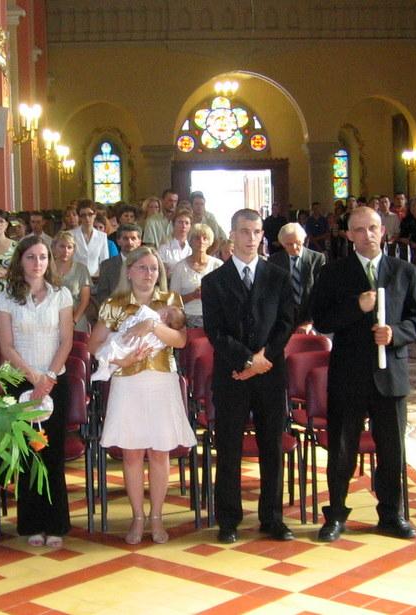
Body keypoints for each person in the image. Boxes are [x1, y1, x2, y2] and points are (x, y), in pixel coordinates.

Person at [311, 206, 416, 542]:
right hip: (349, 374)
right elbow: (321, 320)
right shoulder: (334, 272)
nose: (368, 235)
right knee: (342, 450)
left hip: (391, 375)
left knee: (392, 451)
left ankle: (391, 514)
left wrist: (396, 334)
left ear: (383, 231)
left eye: (373, 228)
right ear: (349, 235)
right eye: (359, 230)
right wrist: (356, 307)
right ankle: (336, 514)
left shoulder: (404, 271)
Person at [89, 246, 195, 544]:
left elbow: (181, 340)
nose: (149, 274)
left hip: (161, 381)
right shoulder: (115, 304)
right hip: (127, 383)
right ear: (129, 271)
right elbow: (93, 345)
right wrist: (119, 360)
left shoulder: (170, 300)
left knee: (160, 452)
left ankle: (157, 517)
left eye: (154, 268)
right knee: (132, 453)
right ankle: (137, 517)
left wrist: (153, 325)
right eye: (142, 268)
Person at [202, 208, 295, 543]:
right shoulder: (213, 281)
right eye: (244, 231)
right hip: (232, 375)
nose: (251, 238)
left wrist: (262, 359)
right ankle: (228, 519)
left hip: (270, 374)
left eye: (256, 232)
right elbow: (215, 331)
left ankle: (272, 517)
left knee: (272, 446)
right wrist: (245, 361)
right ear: (232, 235)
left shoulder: (278, 276)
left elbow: (286, 323)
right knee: (229, 448)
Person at [0, 236, 73, 547]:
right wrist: (33, 377)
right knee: (27, 453)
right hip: (21, 382)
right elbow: (6, 346)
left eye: (42, 257)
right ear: (20, 260)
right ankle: (31, 523)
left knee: (52, 454)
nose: (37, 262)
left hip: (55, 381)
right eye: (31, 257)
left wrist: (49, 377)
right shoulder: (6, 298)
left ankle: (55, 524)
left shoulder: (61, 294)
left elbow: (66, 340)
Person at [91, 304, 186, 381]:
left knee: (112, 349)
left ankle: (105, 368)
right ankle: (106, 369)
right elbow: (92, 345)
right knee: (111, 348)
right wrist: (123, 362)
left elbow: (181, 341)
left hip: (160, 375)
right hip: (124, 374)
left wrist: (151, 324)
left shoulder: (167, 304)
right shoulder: (115, 302)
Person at [269, 222, 326, 332]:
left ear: (303, 240)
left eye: (298, 243)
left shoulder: (317, 259)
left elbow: (319, 293)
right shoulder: (274, 261)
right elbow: (272, 294)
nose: (295, 247)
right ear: (282, 244)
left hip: (310, 319)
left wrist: (309, 321)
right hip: (283, 320)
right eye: (289, 244)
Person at [169, 223, 222, 328]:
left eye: (205, 238)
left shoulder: (218, 265)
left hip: (215, 317)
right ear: (190, 241)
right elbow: (173, 301)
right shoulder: (180, 267)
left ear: (210, 242)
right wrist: (193, 296)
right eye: (197, 238)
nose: (201, 241)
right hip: (187, 318)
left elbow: (226, 296)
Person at [94, 223, 143, 309]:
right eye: (125, 238)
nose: (129, 242)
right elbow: (102, 294)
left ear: (139, 242)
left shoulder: (146, 265)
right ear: (118, 241)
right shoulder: (107, 265)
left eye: (133, 238)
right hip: (114, 310)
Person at [52, 231, 92, 333]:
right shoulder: (47, 268)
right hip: (51, 318)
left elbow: (85, 301)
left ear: (74, 250)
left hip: (76, 317)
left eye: (69, 247)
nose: (66, 251)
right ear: (54, 248)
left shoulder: (81, 269)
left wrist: (73, 322)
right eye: (62, 246)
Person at [72, 200, 110, 277]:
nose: (87, 218)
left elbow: (104, 261)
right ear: (79, 217)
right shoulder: (71, 234)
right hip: (75, 277)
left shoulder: (102, 236)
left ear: (95, 215)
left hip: (96, 278)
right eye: (83, 215)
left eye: (90, 214)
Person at [158, 208, 193, 273]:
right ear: (174, 224)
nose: (184, 226)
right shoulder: (164, 248)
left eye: (187, 223)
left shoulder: (192, 250)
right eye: (180, 222)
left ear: (190, 226)